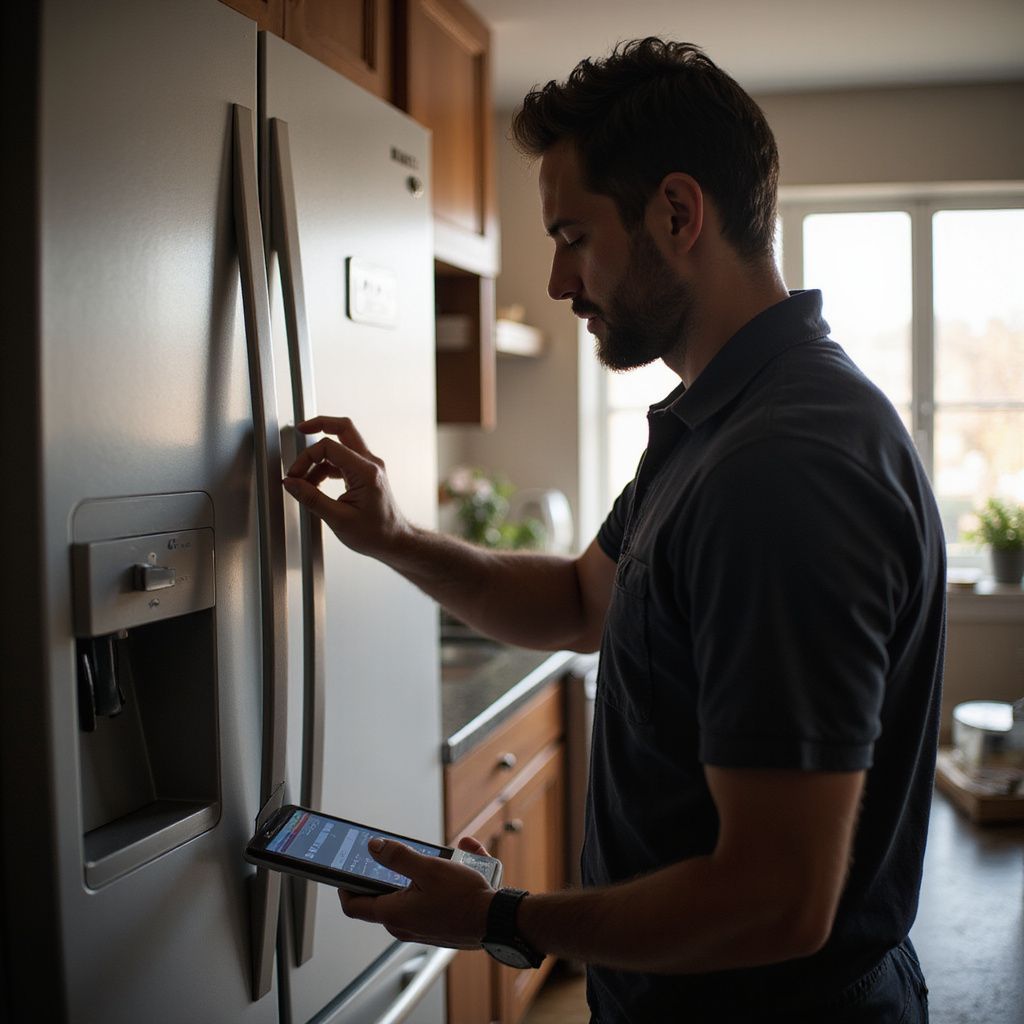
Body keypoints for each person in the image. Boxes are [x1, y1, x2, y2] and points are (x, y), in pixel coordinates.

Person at [282, 38, 942, 1023]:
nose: (557, 280)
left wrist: (503, 914)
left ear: (676, 214)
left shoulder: (781, 469)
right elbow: (582, 599)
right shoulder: (715, 422)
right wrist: (394, 536)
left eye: (570, 234)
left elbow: (777, 900)